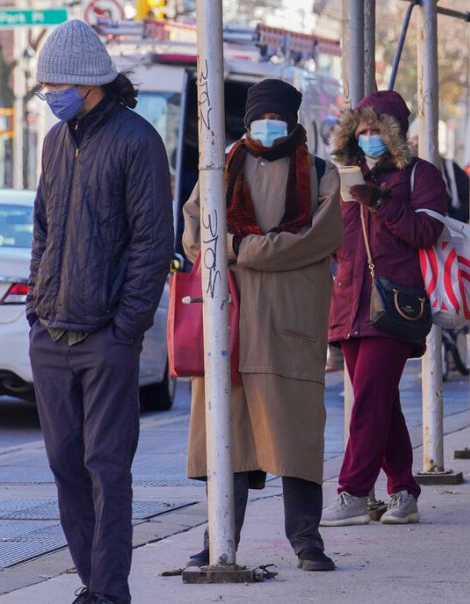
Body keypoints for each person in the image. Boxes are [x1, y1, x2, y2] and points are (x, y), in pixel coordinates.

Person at [27, 20, 173, 604]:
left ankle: (110, 592)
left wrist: (126, 329)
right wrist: (37, 309)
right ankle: (92, 581)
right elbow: (43, 231)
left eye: (54, 85)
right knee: (66, 467)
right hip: (51, 335)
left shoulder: (138, 141)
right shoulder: (54, 143)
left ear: (88, 84)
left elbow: (152, 244)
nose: (49, 96)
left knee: (106, 469)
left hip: (106, 337)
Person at [182, 79, 343, 571]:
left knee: (297, 438)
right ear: (247, 122)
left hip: (288, 327)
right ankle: (218, 540)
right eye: (260, 117)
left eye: (277, 118)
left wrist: (239, 249)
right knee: (226, 442)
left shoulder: (320, 173)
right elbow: (195, 235)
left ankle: (306, 542)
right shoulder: (218, 169)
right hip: (228, 329)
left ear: (293, 122)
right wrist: (248, 249)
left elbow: (318, 238)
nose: (268, 126)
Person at [321, 90, 447, 526]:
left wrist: (379, 201)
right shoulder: (342, 175)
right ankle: (403, 491)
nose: (368, 136)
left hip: (395, 303)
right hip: (350, 304)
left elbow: (427, 230)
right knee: (381, 403)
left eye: (377, 129)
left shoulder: (419, 175)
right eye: (363, 128)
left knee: (369, 401)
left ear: (394, 133)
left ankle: (353, 490)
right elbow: (336, 240)